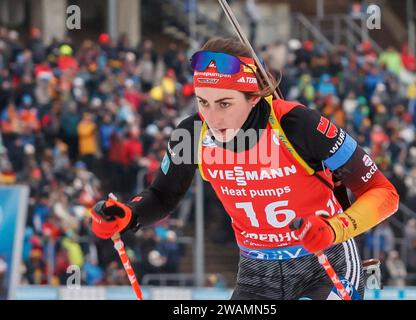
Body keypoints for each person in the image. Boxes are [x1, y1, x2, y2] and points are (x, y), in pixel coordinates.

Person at [90, 38, 399, 300]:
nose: (212, 117)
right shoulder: (192, 133)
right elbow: (162, 195)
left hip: (323, 262)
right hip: (255, 272)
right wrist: (128, 216)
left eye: (225, 103)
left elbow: (384, 193)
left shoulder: (297, 125)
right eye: (203, 102)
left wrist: (334, 229)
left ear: (253, 97)